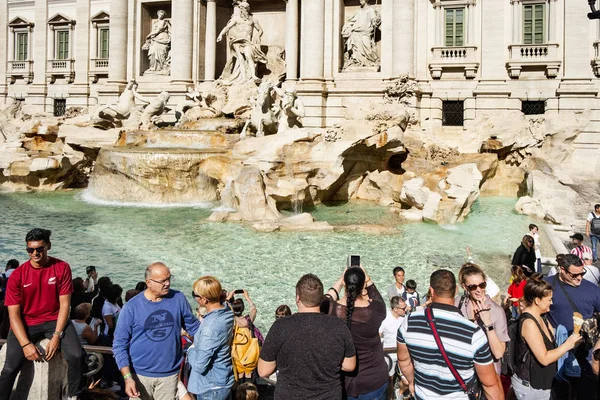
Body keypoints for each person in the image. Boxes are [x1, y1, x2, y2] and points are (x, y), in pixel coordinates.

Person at [0, 228, 83, 400]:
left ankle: (73, 396)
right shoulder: (17, 275)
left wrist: (56, 336)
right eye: (31, 250)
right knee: (9, 368)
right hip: (26, 322)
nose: (35, 253)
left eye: (40, 249)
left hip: (55, 319)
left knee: (76, 355)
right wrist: (25, 344)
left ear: (48, 246)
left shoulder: (61, 268)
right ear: (27, 250)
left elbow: (65, 305)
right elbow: (13, 315)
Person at [397, 269, 503, 400]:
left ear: (431, 290)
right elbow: (490, 385)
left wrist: (412, 382)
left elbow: (404, 361)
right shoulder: (474, 333)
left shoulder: (409, 321)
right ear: (457, 289)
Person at [258, 274, 356, 399]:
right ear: (321, 299)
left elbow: (263, 371)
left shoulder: (280, 326)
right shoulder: (338, 326)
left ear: (297, 298)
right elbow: (349, 365)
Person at [113, 262, 200, 400]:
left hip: (170, 375)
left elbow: (194, 328)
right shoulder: (131, 307)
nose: (167, 283)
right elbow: (119, 344)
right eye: (163, 281)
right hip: (139, 376)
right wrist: (128, 377)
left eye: (169, 279)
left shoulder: (178, 299)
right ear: (148, 282)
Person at [511, 275, 582, 399]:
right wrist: (567, 345)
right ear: (537, 301)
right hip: (531, 388)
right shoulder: (529, 323)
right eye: (549, 299)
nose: (552, 302)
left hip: (544, 383)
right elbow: (544, 358)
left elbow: (551, 342)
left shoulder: (542, 316)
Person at [545, 253, 600, 399]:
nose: (579, 278)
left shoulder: (593, 289)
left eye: (582, 273)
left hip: (585, 354)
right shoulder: (546, 285)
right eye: (574, 275)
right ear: (562, 269)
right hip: (556, 352)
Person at [328, 266, 388, 399]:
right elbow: (378, 299)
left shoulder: (331, 310)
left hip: (346, 383)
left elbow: (326, 298)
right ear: (363, 287)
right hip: (375, 380)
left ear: (345, 283)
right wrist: (367, 278)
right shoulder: (376, 310)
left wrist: (339, 281)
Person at [456, 263, 510, 375]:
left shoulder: (497, 311)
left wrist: (488, 324)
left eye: (482, 285)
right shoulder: (458, 304)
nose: (479, 290)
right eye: (473, 287)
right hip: (462, 370)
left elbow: (499, 353)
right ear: (464, 287)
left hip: (488, 374)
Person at [187, 276, 235, 400]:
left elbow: (199, 366)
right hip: (223, 378)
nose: (195, 298)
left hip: (210, 387)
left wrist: (191, 349)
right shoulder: (227, 312)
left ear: (204, 299)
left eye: (195, 295)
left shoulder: (210, 328)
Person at [217, 1, 267, 85]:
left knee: (248, 56)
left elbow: (260, 30)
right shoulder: (236, 18)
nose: (245, 10)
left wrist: (258, 35)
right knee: (240, 58)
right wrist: (220, 35)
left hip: (247, 42)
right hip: (237, 41)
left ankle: (253, 76)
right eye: (243, 9)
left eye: (246, 9)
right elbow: (227, 27)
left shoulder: (253, 19)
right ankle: (243, 78)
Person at [379, 296, 407, 399]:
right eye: (403, 308)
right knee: (389, 379)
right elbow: (378, 335)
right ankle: (390, 397)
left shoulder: (405, 318)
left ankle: (399, 392)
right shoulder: (384, 318)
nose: (406, 309)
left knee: (406, 380)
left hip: (403, 353)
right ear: (395, 309)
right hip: (389, 354)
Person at [341, 0, 381, 69]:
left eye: (362, 0)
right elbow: (351, 20)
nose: (360, 1)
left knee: (367, 46)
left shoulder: (371, 10)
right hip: (356, 31)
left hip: (366, 32)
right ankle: (357, 61)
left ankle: (372, 61)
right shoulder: (358, 11)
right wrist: (347, 27)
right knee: (355, 48)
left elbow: (374, 20)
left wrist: (376, 20)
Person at [142, 10, 171, 74]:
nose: (161, 16)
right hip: (155, 39)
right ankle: (153, 68)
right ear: (157, 14)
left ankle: (162, 68)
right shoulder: (155, 22)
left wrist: (148, 35)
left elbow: (158, 30)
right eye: (160, 14)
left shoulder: (163, 22)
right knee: (153, 53)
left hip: (162, 38)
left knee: (161, 53)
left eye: (162, 15)